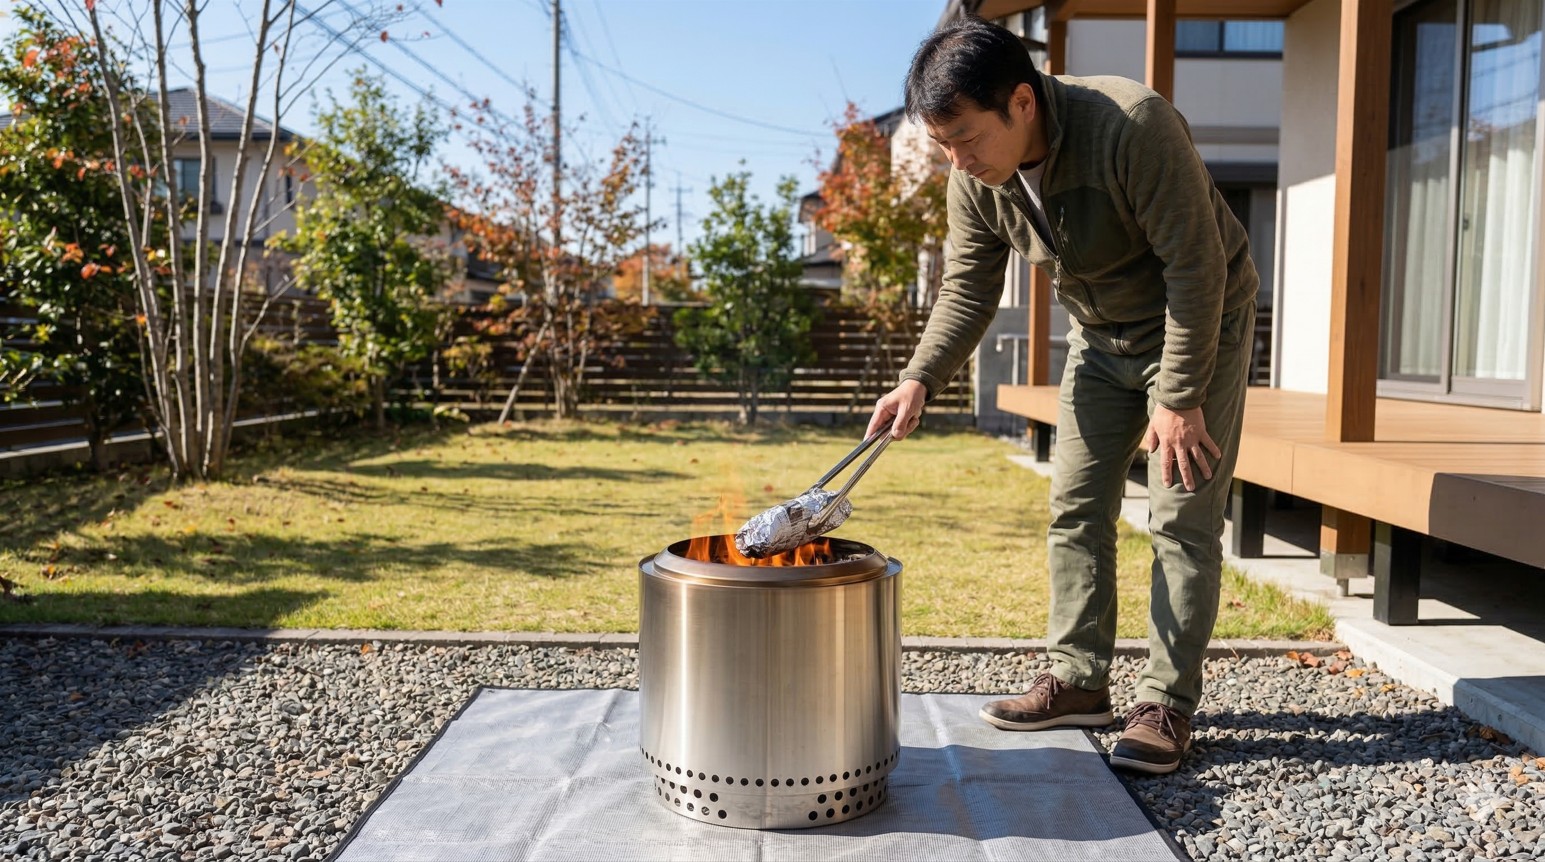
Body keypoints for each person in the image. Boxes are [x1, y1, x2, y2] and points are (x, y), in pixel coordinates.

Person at [866, 16, 1259, 775]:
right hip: (1099, 338)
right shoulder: (974, 178)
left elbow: (1197, 267)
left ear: (1021, 102)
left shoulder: (1131, 125)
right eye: (943, 144)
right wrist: (919, 377)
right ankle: (1079, 682)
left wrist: (1179, 396)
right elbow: (968, 288)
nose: (958, 160)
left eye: (966, 138)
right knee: (1075, 506)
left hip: (1195, 327)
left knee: (1180, 517)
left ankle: (1166, 704)